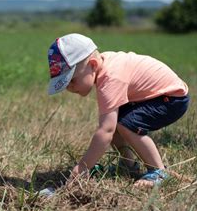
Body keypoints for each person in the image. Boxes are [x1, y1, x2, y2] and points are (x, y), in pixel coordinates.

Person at [47, 33, 189, 188]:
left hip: (171, 98)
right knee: (117, 122)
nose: (69, 87)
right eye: (65, 83)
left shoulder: (111, 79)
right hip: (160, 96)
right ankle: (128, 165)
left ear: (93, 65)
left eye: (71, 80)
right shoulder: (105, 65)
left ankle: (159, 172)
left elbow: (105, 132)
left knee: (127, 124)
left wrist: (83, 167)